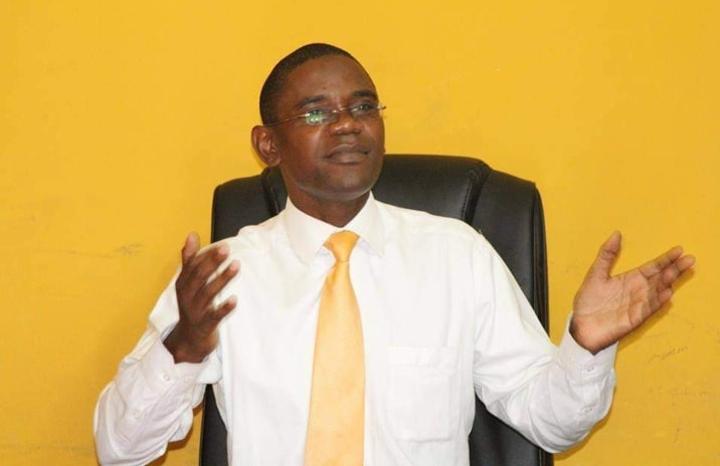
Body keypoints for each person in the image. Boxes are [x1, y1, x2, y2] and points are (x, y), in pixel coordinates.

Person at [94, 43, 695, 466]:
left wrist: (585, 347)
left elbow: (552, 422)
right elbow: (119, 449)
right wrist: (184, 346)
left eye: (363, 106)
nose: (348, 125)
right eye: (316, 112)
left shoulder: (457, 256)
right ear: (267, 144)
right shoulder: (223, 276)